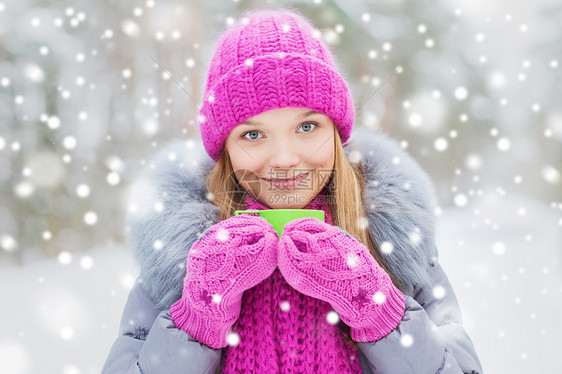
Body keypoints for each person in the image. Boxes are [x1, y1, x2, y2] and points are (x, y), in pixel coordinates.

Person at [102, 7, 483, 374]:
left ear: (335, 133)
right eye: (253, 134)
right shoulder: (177, 255)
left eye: (306, 128)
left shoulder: (397, 242)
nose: (284, 159)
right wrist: (196, 318)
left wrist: (380, 312)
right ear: (226, 149)